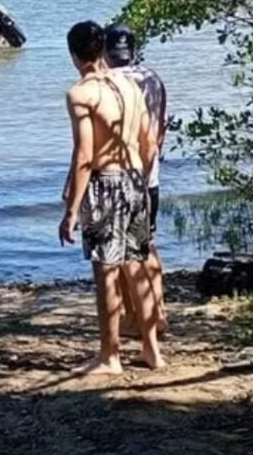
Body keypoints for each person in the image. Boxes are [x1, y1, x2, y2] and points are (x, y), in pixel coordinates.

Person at [59, 20, 165, 375]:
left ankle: (110, 356)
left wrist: (71, 209)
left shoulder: (82, 93)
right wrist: (141, 176)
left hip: (106, 183)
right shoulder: (130, 85)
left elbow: (84, 156)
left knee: (106, 271)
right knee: (137, 265)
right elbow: (149, 141)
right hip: (136, 179)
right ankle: (152, 350)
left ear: (74, 55)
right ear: (103, 49)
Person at [104, 23, 169, 338]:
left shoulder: (108, 82)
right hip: (149, 175)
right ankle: (159, 314)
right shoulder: (153, 78)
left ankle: (134, 319)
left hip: (120, 176)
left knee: (121, 255)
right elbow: (160, 129)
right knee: (147, 244)